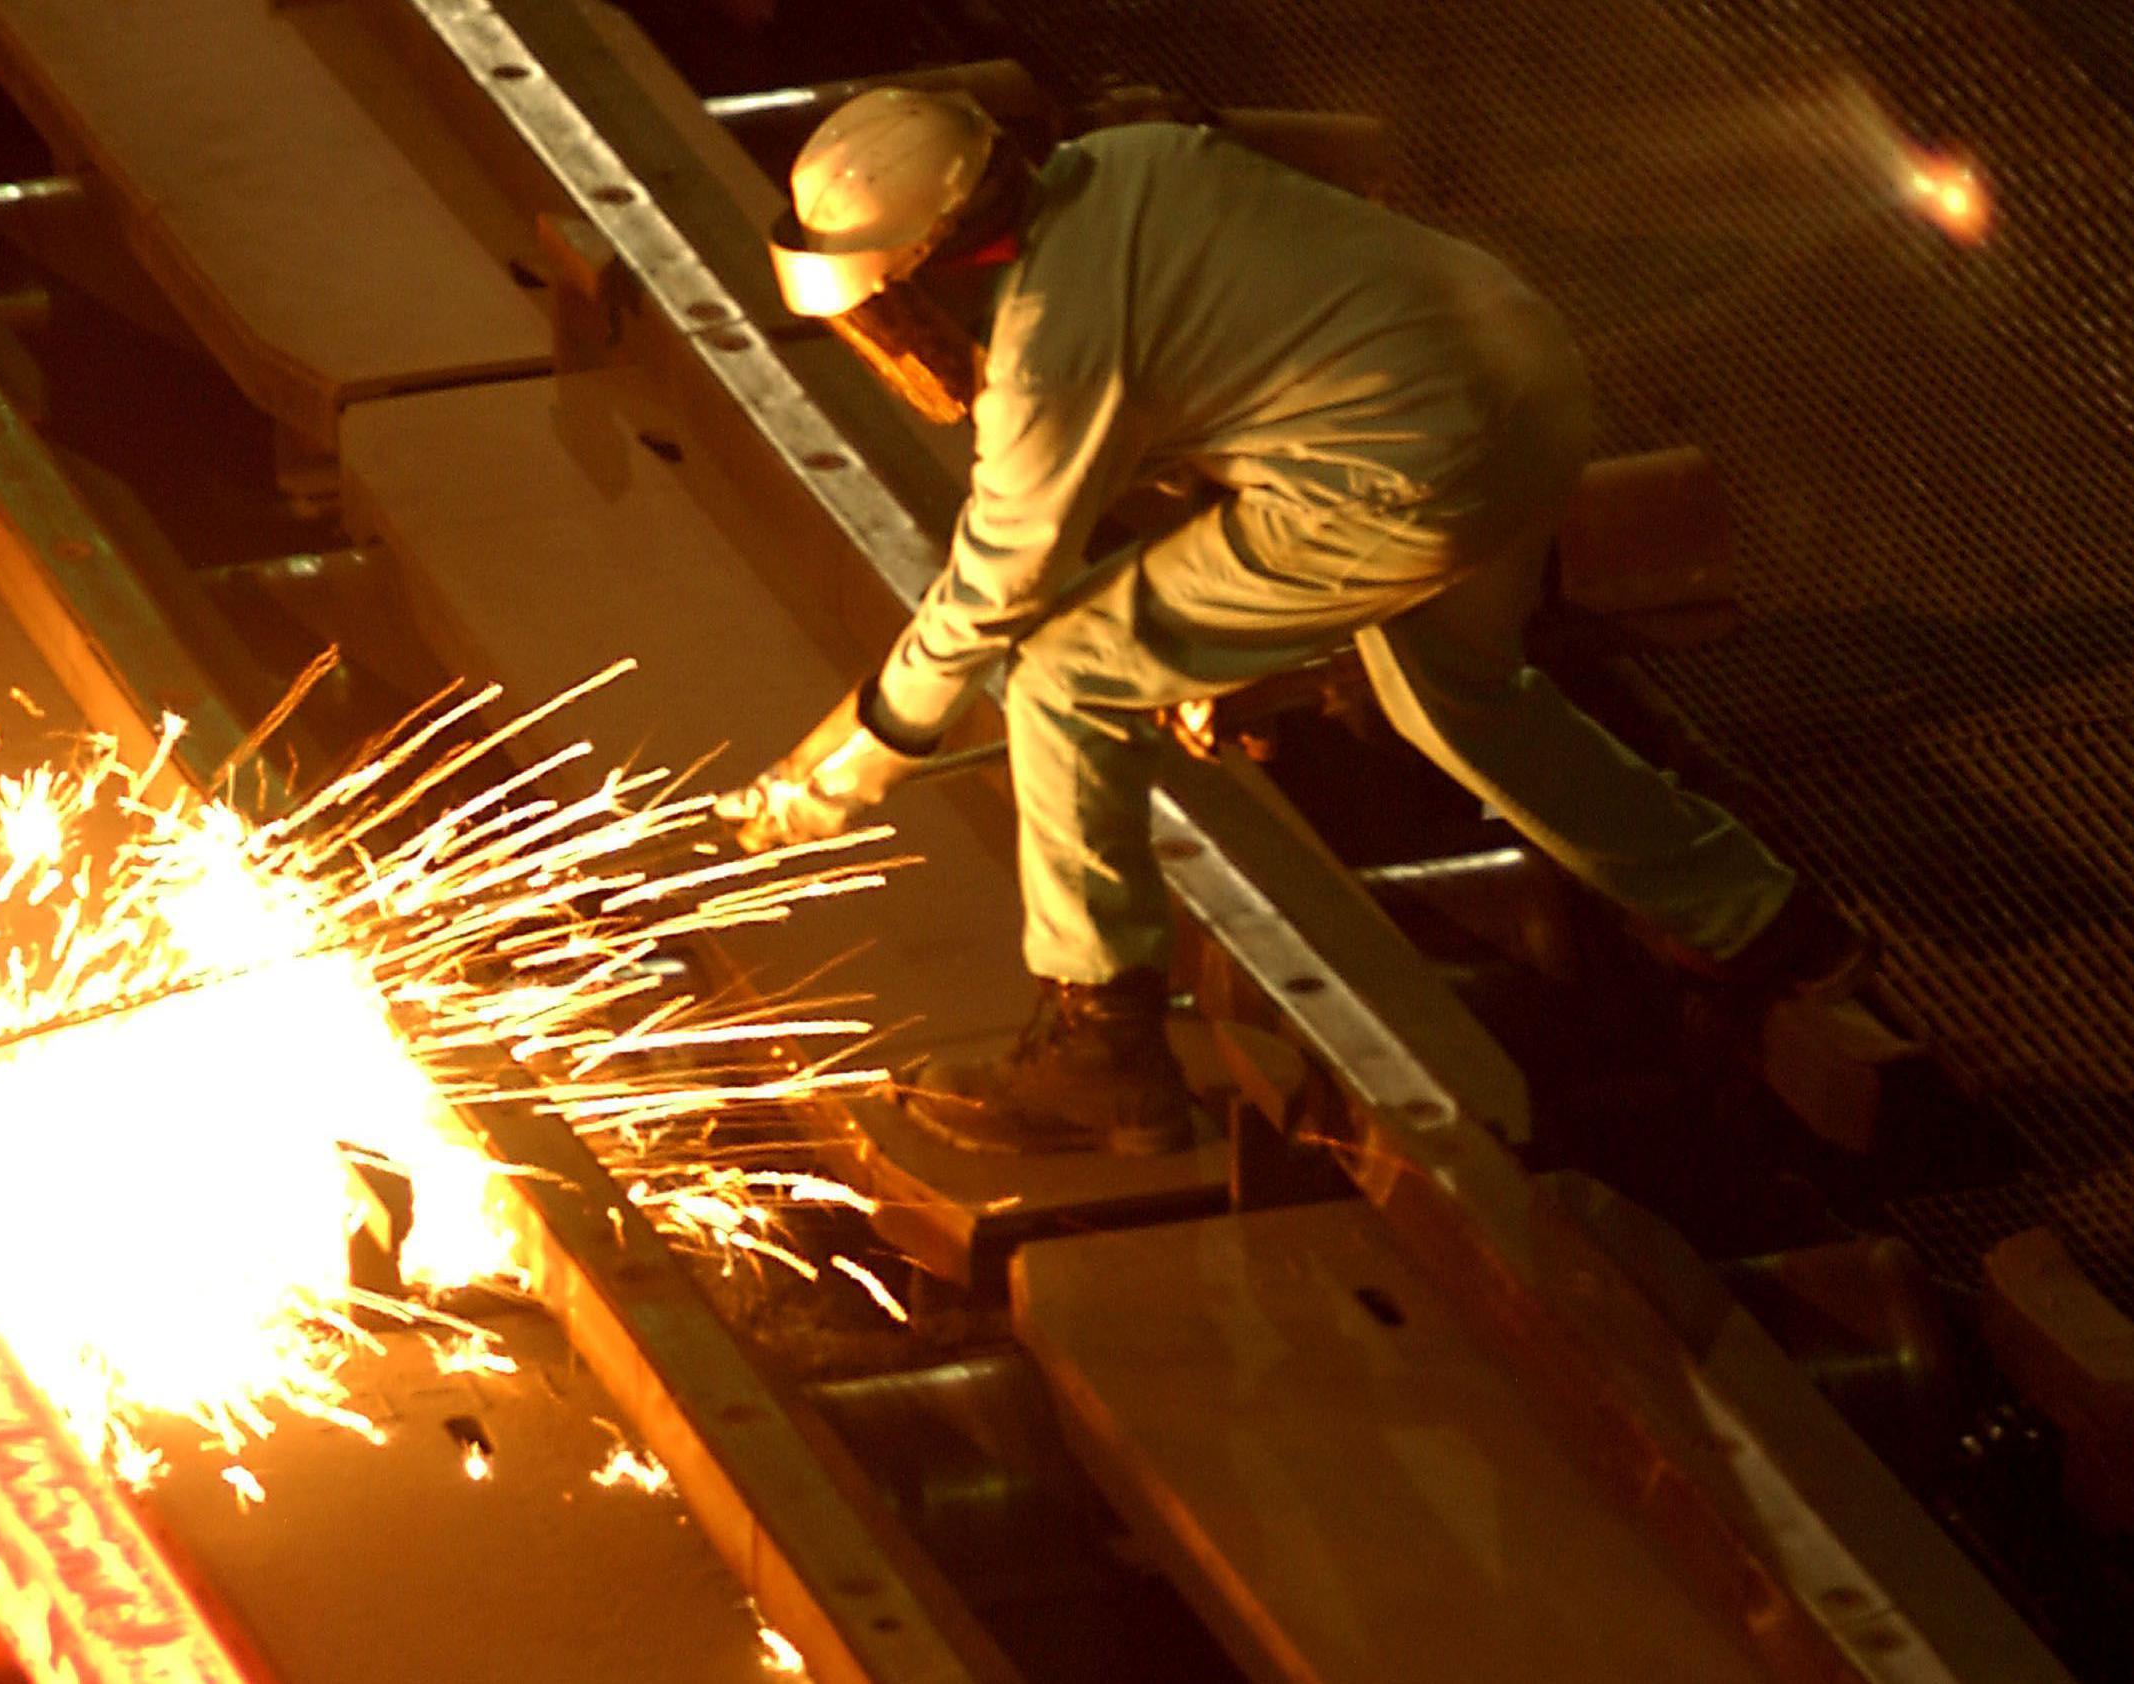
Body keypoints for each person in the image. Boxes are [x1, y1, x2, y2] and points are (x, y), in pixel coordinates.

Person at [718, 89, 1865, 1157]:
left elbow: (999, 587)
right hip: (1518, 376)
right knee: (1460, 703)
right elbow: (1249, 352)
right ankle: (1757, 918)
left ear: (934, 264)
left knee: (1067, 677)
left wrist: (857, 760)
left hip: (1408, 469)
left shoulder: (1048, 349)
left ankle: (1103, 1051)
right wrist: (1222, 645)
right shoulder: (1130, 161)